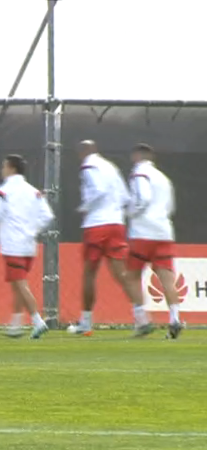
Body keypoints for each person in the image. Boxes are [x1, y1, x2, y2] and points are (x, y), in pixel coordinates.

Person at [70, 140, 153, 337]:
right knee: (122, 273)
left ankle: (86, 322)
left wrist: (85, 207)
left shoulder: (88, 165)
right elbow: (125, 197)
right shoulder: (110, 166)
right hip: (116, 224)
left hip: (96, 225)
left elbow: (98, 191)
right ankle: (141, 317)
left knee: (89, 273)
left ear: (83, 152)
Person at [0, 155, 54, 339]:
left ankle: (38, 320)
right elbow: (47, 216)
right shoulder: (33, 191)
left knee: (21, 284)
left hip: (12, 245)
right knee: (18, 284)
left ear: (11, 168)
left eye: (4, 166)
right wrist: (32, 229)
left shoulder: (2, 192)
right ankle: (16, 324)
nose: (2, 170)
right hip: (29, 244)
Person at [124, 144, 183, 339]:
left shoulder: (139, 173)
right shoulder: (164, 178)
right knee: (166, 278)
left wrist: (129, 213)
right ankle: (175, 318)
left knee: (131, 276)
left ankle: (142, 320)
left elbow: (142, 199)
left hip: (143, 232)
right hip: (163, 232)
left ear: (138, 155)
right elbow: (170, 206)